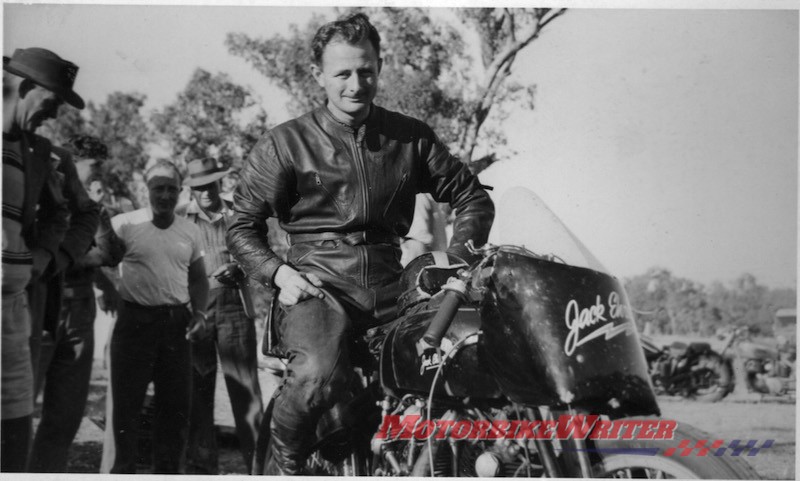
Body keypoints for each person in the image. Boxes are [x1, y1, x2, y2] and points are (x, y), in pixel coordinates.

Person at [227, 13, 494, 475]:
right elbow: (240, 227)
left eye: (366, 71)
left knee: (467, 356)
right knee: (315, 375)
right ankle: (285, 462)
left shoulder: (410, 137)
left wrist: (456, 261)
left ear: (380, 66)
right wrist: (279, 273)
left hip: (396, 287)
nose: (356, 84)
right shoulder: (284, 144)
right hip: (317, 286)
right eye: (343, 73)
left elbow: (472, 197)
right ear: (318, 76)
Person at [2, 47, 82, 472]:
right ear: (27, 86)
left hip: (14, 312)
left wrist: (42, 257)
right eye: (49, 104)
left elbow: (62, 213)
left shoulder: (36, 151)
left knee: (14, 424)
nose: (51, 116)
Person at [28, 136, 125, 472]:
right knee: (17, 409)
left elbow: (111, 253)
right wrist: (84, 259)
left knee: (64, 416)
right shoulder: (42, 193)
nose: (99, 179)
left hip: (80, 310)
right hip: (39, 308)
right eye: (92, 170)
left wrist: (93, 215)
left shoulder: (93, 208)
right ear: (71, 163)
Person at [108, 160, 209, 473]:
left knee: (175, 408)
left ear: (180, 192)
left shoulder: (190, 230)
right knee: (127, 409)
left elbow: (198, 278)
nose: (165, 195)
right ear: (145, 190)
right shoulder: (124, 224)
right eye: (158, 188)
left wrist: (200, 313)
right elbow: (100, 263)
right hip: (134, 324)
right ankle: (123, 472)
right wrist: (108, 292)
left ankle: (167, 474)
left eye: (171, 189)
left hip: (176, 326)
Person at [177, 158, 263, 474]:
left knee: (244, 387)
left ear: (219, 184)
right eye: (199, 187)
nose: (206, 193)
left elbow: (257, 255)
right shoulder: (181, 218)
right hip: (196, 307)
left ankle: (259, 467)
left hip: (235, 305)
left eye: (211, 185)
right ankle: (201, 468)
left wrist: (239, 268)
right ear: (192, 189)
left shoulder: (237, 214)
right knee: (197, 389)